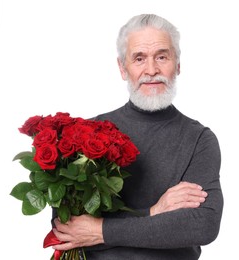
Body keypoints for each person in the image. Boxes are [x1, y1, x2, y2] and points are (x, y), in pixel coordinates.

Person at [51, 14, 223, 259]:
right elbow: (66, 227)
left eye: (162, 57)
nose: (151, 70)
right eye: (139, 58)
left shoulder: (199, 139)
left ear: (178, 65)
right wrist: (153, 213)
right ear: (123, 68)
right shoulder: (89, 132)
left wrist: (100, 230)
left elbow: (201, 224)